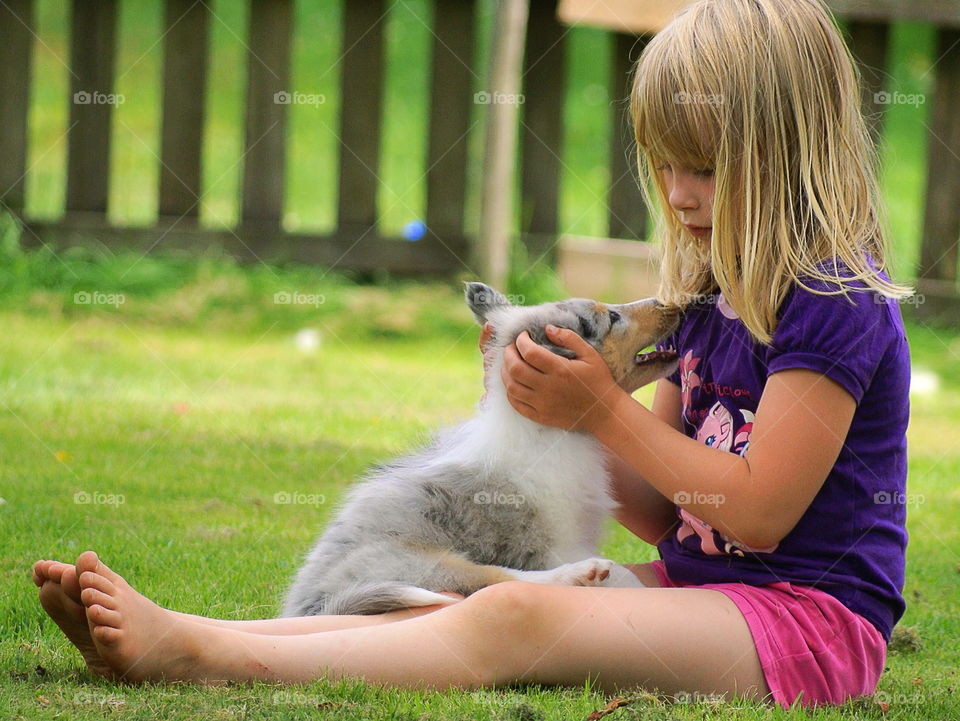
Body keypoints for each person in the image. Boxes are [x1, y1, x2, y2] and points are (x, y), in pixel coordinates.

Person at [32, 0, 911, 708]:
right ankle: (195, 628)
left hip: (807, 626)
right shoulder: (713, 303)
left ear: (788, 156)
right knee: (476, 601)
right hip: (705, 596)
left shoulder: (837, 305)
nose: (678, 195)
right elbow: (658, 509)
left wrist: (602, 408)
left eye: (707, 170)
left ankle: (207, 657)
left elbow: (754, 513)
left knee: (519, 611)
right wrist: (566, 402)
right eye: (666, 165)